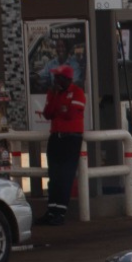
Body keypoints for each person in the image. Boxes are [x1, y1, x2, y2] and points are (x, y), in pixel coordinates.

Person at [39, 64, 85, 225]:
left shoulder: (78, 92)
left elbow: (70, 113)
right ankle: (51, 211)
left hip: (71, 139)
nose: (55, 80)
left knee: (65, 176)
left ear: (66, 79)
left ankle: (60, 213)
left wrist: (60, 108)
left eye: (58, 77)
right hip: (56, 138)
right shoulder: (53, 93)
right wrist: (57, 100)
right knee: (54, 175)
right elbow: (48, 113)